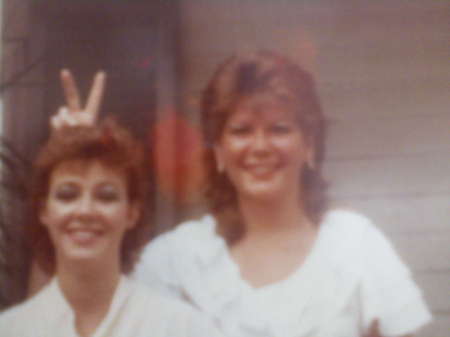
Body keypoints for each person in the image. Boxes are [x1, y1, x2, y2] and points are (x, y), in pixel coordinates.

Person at [49, 52, 431, 337]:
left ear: (309, 144)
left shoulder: (355, 244)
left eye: (280, 128)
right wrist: (75, 158)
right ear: (217, 150)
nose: (260, 146)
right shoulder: (177, 262)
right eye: (241, 130)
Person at [0, 115, 223, 336]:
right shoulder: (12, 329)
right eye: (68, 195)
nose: (85, 210)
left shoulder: (182, 328)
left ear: (132, 213)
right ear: (44, 211)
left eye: (106, 196)